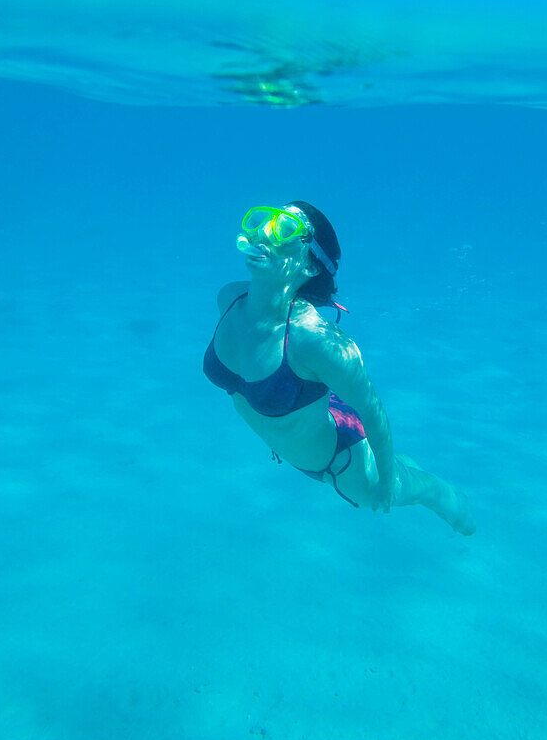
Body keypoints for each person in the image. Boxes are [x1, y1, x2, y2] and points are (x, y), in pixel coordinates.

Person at [203, 202, 474, 535]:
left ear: (312, 266)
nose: (265, 234)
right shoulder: (228, 297)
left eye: (286, 228)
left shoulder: (316, 341)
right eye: (267, 220)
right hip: (311, 411)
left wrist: (387, 482)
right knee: (398, 464)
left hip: (341, 463)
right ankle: (404, 468)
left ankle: (447, 498)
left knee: (409, 486)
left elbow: (373, 411)